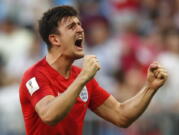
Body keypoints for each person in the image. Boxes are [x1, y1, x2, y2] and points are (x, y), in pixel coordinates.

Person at [19, 6, 168, 135]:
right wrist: (83, 78)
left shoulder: (81, 77)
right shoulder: (35, 75)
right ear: (55, 39)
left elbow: (121, 115)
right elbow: (49, 115)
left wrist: (149, 88)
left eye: (79, 25)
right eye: (72, 27)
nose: (81, 30)